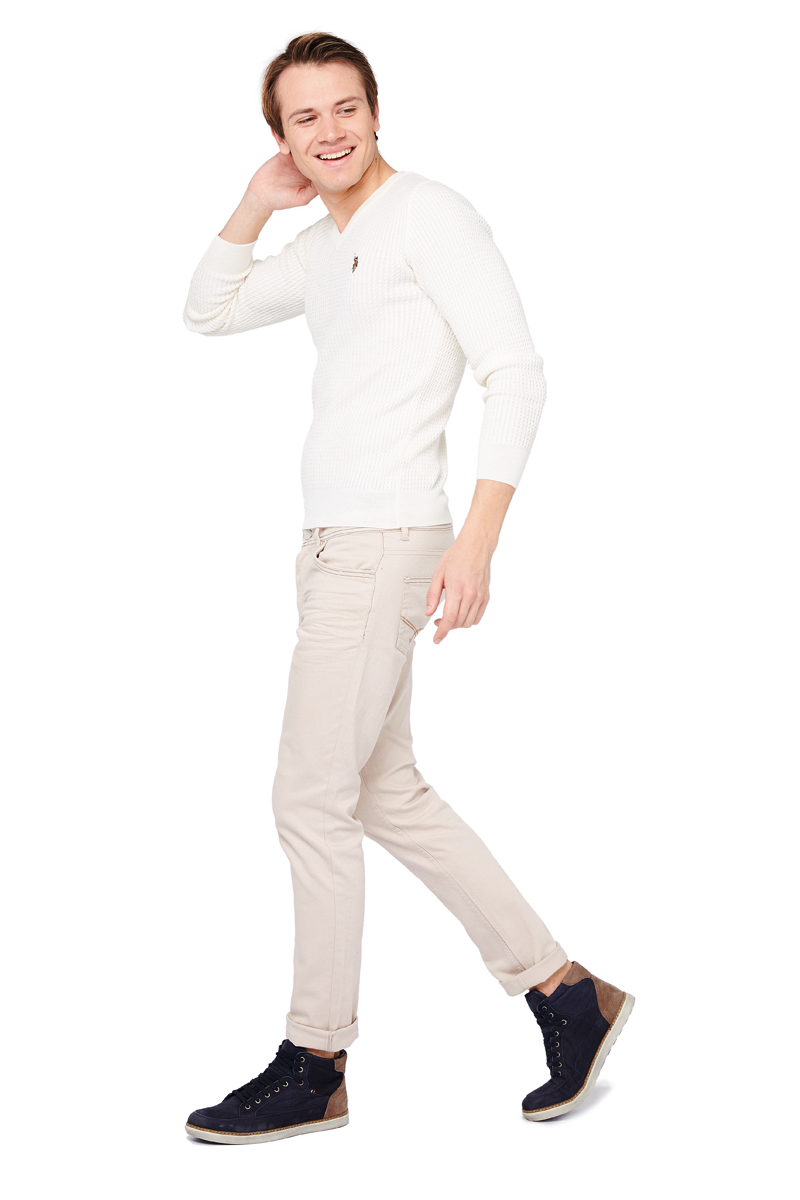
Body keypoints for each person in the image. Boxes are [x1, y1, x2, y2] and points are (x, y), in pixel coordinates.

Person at [181, 32, 633, 1144]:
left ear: (377, 111)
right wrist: (255, 201)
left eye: (345, 108)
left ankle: (315, 1057)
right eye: (303, 118)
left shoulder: (429, 216)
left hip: (384, 545)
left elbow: (516, 373)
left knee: (307, 799)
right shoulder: (328, 243)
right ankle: (564, 991)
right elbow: (209, 309)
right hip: (332, 547)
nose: (329, 132)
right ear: (281, 137)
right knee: (386, 793)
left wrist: (476, 544)